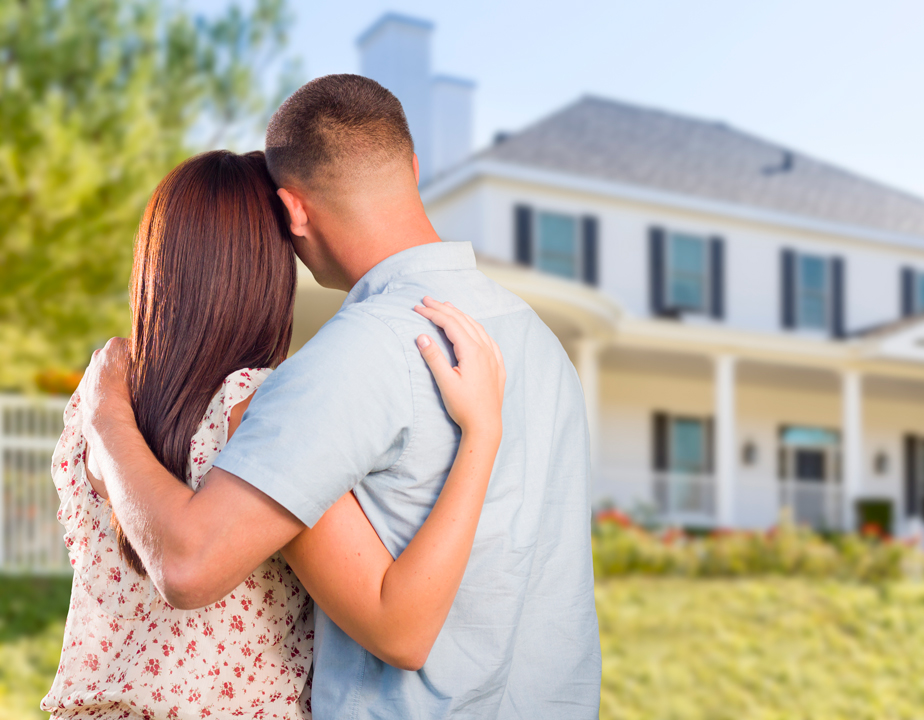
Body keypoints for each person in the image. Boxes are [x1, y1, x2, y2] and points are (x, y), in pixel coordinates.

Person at [80, 74, 602, 719]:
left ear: (293, 211)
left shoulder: (350, 358)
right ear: (412, 166)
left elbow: (189, 565)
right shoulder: (536, 340)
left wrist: (106, 417)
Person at [44, 149, 507, 719]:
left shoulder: (96, 404)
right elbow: (400, 627)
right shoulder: (256, 409)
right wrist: (483, 431)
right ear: (266, 270)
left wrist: (104, 415)